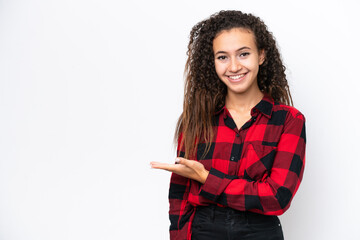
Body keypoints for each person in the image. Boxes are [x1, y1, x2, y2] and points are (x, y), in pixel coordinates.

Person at [150, 10, 306, 240]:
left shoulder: (289, 120)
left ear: (261, 55)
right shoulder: (197, 119)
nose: (233, 67)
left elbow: (277, 197)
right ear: (212, 62)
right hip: (203, 229)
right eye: (222, 57)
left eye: (243, 54)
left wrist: (207, 179)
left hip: (260, 231)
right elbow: (180, 197)